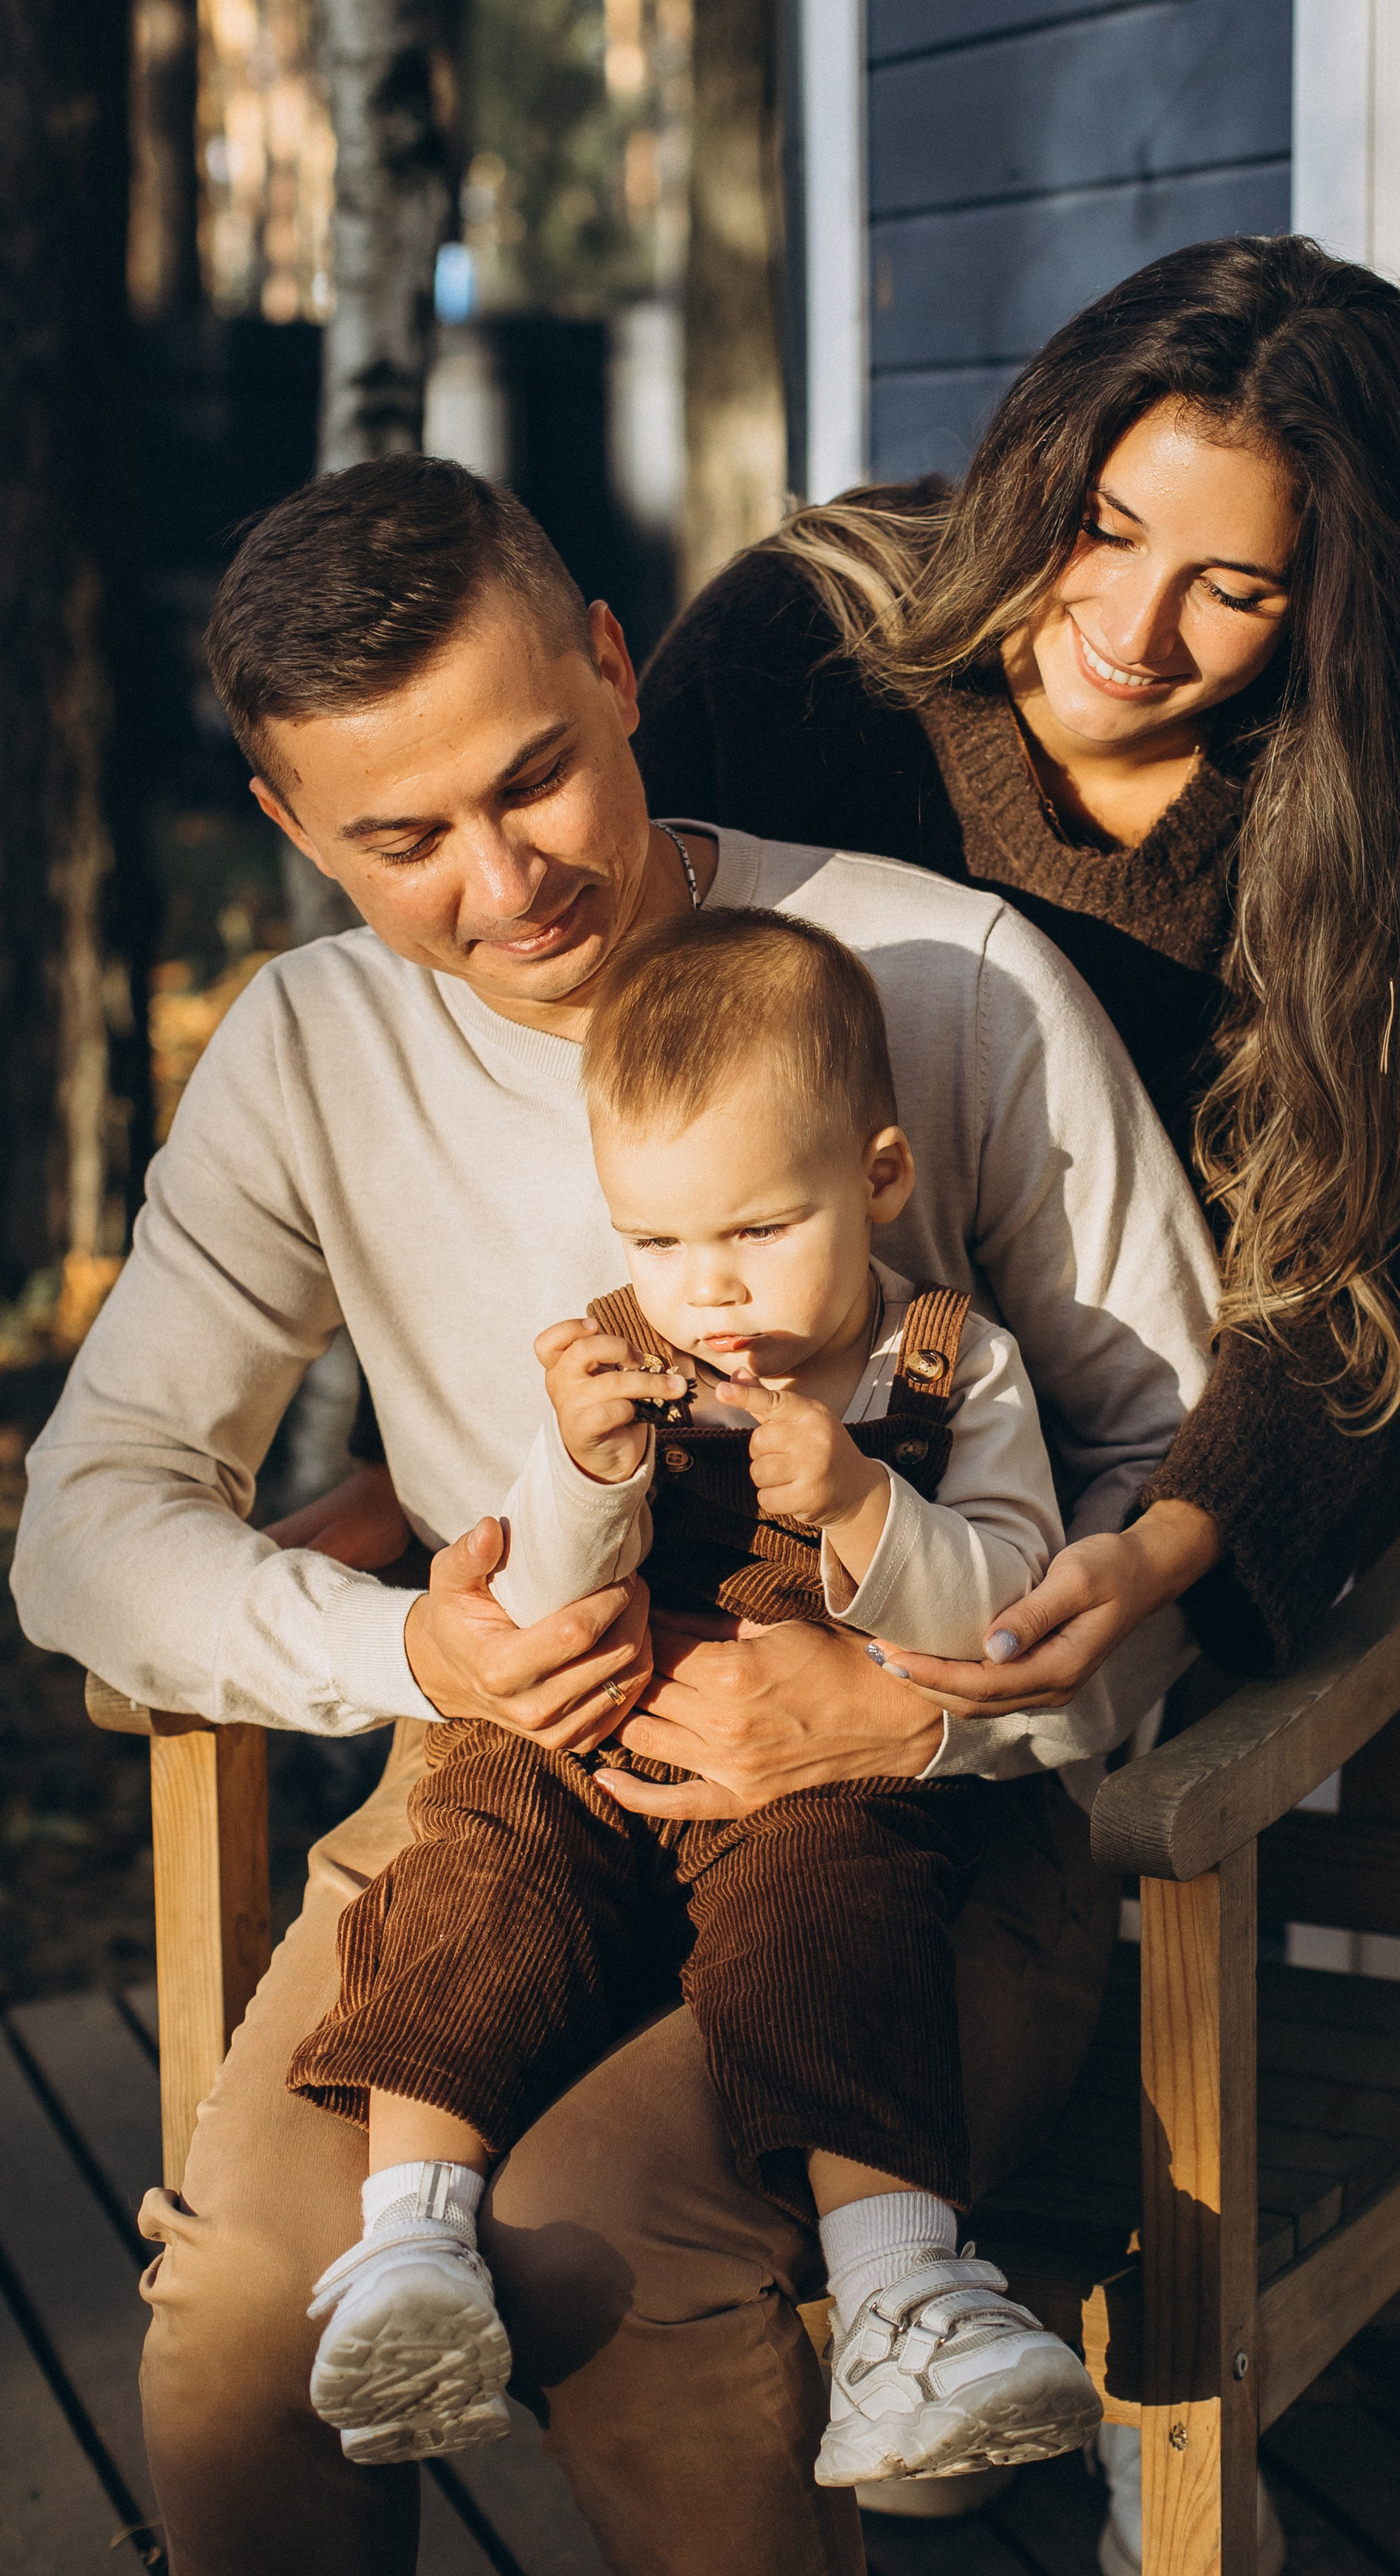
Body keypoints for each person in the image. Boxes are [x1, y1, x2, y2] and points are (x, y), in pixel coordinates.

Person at [12, 453, 1222, 2576]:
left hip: (919, 1842)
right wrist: (414, 1650)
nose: (504, 881)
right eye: (401, 840)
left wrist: (911, 1709)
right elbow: (89, 1530)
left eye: (535, 779)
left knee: (607, 2248)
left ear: (608, 663)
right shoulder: (304, 1049)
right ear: (292, 826)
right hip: (507, 1795)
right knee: (238, 2330)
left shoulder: (942, 977)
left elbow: (1172, 1475)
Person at [633, 232, 1400, 1719]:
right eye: (1102, 528)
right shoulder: (802, 649)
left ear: (1332, 605)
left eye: (1233, 588)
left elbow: (1341, 1282)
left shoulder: (1379, 858)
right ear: (1040, 467)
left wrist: (1148, 1555)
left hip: (1059, 1560)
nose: (1129, 630)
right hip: (684, 1496)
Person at [291, 907, 1101, 2489]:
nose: (703, 1291)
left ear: (877, 1182)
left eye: (754, 1230)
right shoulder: (619, 1359)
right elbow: (540, 1607)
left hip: (817, 1774)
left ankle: (899, 2305)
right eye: (654, 1244)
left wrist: (869, 1507)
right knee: (479, 1850)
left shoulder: (946, 1371)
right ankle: (409, 2251)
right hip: (601, 1743)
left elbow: (1008, 1610)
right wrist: (586, 1468)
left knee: (841, 1911)